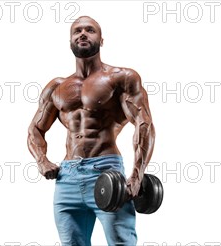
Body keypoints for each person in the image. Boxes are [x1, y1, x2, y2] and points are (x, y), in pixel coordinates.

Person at [27, 16, 155, 245]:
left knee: (121, 243)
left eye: (90, 30)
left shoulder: (122, 78)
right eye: (77, 31)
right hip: (66, 178)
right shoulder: (56, 87)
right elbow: (35, 129)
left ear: (101, 40)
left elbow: (144, 124)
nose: (83, 34)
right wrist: (42, 160)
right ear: (70, 42)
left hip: (106, 172)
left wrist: (137, 175)